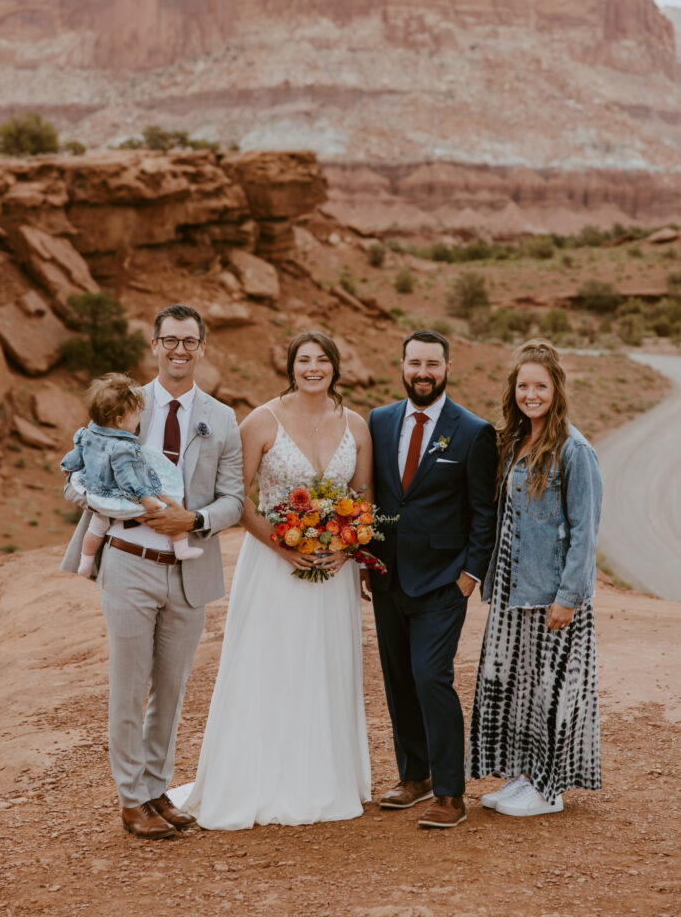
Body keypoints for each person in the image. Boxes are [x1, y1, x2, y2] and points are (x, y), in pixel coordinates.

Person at [171, 331, 372, 829]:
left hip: (333, 569)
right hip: (274, 565)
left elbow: (364, 498)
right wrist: (284, 547)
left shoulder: (357, 425)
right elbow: (237, 499)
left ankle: (324, 777)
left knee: (325, 666)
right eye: (304, 360)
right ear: (291, 366)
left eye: (322, 360)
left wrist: (346, 548)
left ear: (335, 368)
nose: (313, 368)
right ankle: (258, 778)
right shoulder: (261, 421)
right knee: (271, 664)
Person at [61, 304, 244, 840]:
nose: (179, 350)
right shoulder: (122, 403)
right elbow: (79, 475)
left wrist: (196, 518)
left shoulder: (223, 418)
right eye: (170, 340)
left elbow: (234, 499)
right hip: (128, 564)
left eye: (189, 341)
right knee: (128, 684)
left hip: (188, 570)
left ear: (203, 347)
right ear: (154, 344)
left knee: (171, 687)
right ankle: (130, 798)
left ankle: (157, 788)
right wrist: (101, 499)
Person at [366, 330, 497, 829]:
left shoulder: (472, 431)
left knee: (430, 677)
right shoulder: (379, 421)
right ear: (402, 365)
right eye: (415, 362)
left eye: (433, 364)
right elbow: (379, 494)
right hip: (386, 577)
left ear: (447, 367)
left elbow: (483, 511)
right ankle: (414, 776)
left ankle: (449, 792)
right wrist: (367, 559)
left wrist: (470, 575)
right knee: (399, 679)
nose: (423, 372)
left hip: (444, 581)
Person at [466, 338, 602, 817]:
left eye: (540, 385)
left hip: (551, 594)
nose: (531, 394)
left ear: (556, 389)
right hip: (510, 588)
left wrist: (569, 597)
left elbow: (585, 532)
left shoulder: (574, 450)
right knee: (520, 688)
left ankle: (549, 791)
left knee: (550, 690)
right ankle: (524, 777)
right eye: (523, 385)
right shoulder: (513, 441)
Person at [61, 373, 203, 578]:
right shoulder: (122, 448)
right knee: (168, 511)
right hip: (120, 496)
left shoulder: (86, 434)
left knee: (96, 528)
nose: (139, 418)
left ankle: (86, 562)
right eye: (136, 414)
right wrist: (145, 499)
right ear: (119, 421)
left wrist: (67, 466)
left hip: (96, 491)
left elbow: (76, 457)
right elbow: (126, 479)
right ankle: (181, 548)